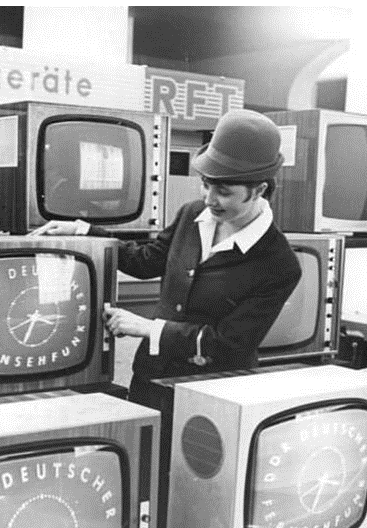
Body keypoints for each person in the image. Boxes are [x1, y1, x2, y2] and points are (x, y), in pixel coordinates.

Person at [31, 108, 301, 410]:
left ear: (259, 190)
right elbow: (147, 260)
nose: (210, 199)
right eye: (206, 184)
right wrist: (85, 231)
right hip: (152, 376)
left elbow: (228, 344)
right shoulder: (192, 213)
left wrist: (148, 328)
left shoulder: (279, 264)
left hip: (213, 394)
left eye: (223, 191)